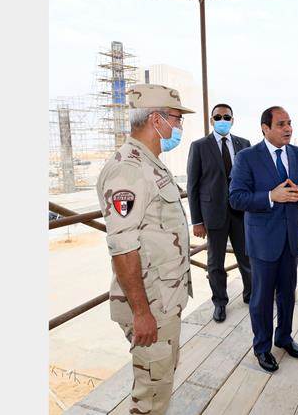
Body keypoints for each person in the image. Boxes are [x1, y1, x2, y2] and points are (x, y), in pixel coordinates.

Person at [95, 84, 195, 415]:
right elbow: (123, 248)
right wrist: (141, 313)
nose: (179, 126)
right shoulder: (128, 169)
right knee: (150, 397)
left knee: (159, 382)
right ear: (156, 119)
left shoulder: (150, 162)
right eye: (177, 119)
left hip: (163, 300)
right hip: (150, 303)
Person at [228, 106, 298, 373]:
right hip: (262, 242)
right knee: (262, 298)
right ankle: (262, 347)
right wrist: (270, 196)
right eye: (281, 124)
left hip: (291, 239)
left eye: (289, 123)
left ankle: (284, 338)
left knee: (288, 294)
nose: (288, 129)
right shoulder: (247, 157)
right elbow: (236, 198)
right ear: (265, 128)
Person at [187, 103, 253, 323]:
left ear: (232, 120)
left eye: (226, 117)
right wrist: (197, 221)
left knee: (247, 258)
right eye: (218, 117)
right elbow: (192, 186)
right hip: (212, 214)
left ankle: (250, 295)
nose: (222, 120)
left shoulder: (244, 144)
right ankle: (220, 303)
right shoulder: (199, 146)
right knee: (215, 263)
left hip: (241, 213)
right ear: (212, 120)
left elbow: (251, 179)